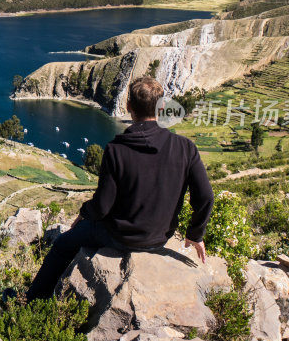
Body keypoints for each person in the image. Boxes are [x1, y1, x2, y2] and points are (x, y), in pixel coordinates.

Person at [26, 76, 214, 301]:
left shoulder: (116, 150)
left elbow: (103, 206)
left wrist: (84, 214)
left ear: (129, 107)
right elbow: (205, 197)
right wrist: (196, 234)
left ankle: (32, 301)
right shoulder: (185, 147)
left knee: (62, 244)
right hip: (160, 237)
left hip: (119, 236)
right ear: (162, 107)